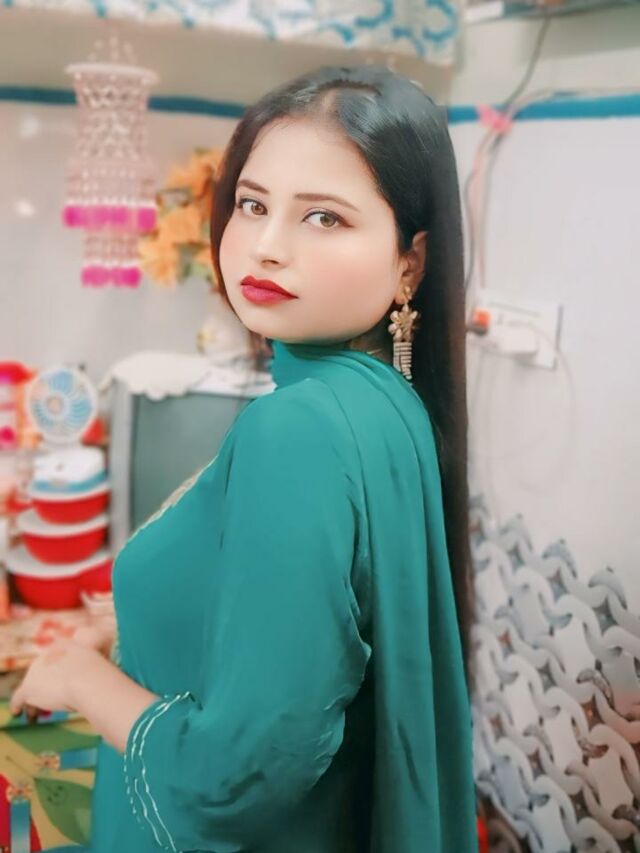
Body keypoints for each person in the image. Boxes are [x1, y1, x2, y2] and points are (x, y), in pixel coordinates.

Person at [10, 64, 478, 852]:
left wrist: (80, 678)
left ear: (411, 261)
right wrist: (123, 632)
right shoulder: (391, 404)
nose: (265, 246)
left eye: (323, 217)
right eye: (253, 204)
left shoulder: (296, 430)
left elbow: (238, 772)